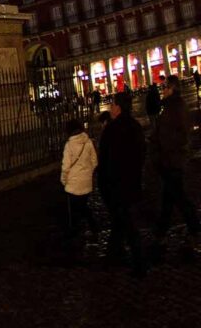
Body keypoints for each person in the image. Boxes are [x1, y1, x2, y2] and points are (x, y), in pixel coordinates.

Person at [97, 92, 146, 275]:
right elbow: (142, 153)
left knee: (127, 225)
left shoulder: (111, 130)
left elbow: (105, 161)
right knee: (120, 223)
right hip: (132, 182)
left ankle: (139, 263)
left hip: (116, 185)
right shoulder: (135, 126)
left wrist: (104, 185)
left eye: (112, 105)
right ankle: (113, 256)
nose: (110, 108)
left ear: (118, 107)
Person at [152, 75, 199, 261]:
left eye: (165, 88)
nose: (162, 91)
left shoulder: (174, 108)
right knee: (169, 199)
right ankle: (161, 232)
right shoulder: (172, 106)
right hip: (171, 161)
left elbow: (175, 135)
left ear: (172, 89)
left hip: (172, 161)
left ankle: (194, 227)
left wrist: (163, 152)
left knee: (179, 198)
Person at [60, 119, 99, 237]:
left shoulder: (69, 145)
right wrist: (88, 172)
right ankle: (91, 225)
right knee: (83, 205)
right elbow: (94, 161)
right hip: (86, 182)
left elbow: (66, 166)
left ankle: (77, 229)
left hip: (73, 183)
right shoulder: (88, 142)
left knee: (75, 208)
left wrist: (64, 179)